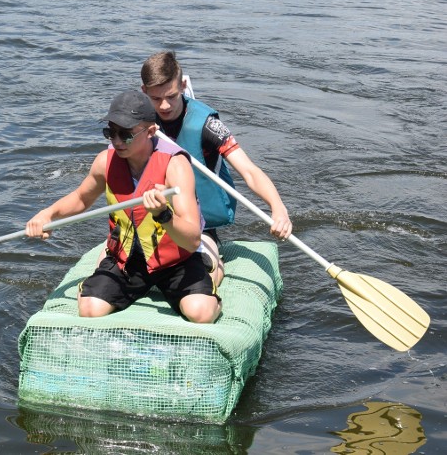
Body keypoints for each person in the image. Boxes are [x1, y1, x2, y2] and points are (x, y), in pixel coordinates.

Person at [26, 90, 221, 324]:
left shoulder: (175, 166)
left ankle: (213, 268)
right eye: (111, 133)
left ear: (150, 132)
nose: (117, 141)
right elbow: (80, 199)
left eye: (126, 135)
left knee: (201, 313)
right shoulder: (105, 162)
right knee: (90, 309)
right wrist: (48, 214)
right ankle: (107, 262)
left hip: (176, 259)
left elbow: (191, 239)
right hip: (128, 259)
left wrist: (163, 214)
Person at [140, 50, 293, 282]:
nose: (164, 106)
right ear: (144, 92)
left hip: (196, 223)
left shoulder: (209, 125)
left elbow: (249, 171)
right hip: (148, 215)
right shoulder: (138, 121)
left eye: (171, 96)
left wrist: (278, 207)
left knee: (208, 274)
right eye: (155, 99)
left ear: (182, 85)